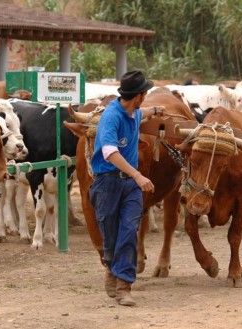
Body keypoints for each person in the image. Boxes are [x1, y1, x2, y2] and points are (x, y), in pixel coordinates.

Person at [90, 70, 162, 306]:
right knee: (110, 234)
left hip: (129, 185)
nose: (146, 98)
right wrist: (138, 175)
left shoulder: (135, 112)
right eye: (145, 94)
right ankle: (111, 268)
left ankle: (124, 285)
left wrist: (155, 112)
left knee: (129, 230)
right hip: (108, 182)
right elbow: (109, 152)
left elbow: (143, 114)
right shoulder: (112, 116)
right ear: (138, 95)